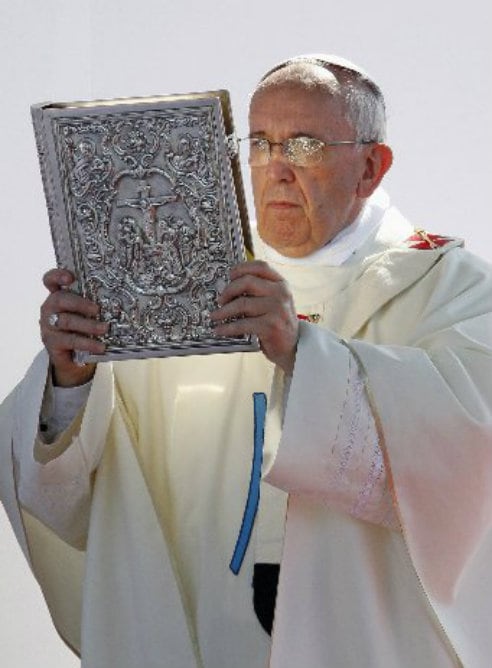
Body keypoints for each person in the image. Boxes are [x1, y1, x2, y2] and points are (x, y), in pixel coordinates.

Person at [1, 53, 492, 668]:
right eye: (259, 143)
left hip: (365, 636)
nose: (277, 168)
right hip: (205, 628)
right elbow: (71, 488)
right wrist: (70, 377)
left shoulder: (449, 288)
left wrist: (306, 355)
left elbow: (473, 458)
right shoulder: (175, 284)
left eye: (306, 145)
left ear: (371, 165)